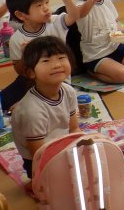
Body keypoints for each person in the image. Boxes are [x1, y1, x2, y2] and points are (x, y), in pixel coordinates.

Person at [3, 0, 80, 110]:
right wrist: (26, 56)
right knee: (5, 101)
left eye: (46, 3)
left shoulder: (54, 22)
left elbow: (75, 16)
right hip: (33, 81)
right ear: (21, 15)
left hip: (59, 78)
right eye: (39, 5)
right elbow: (19, 70)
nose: (46, 8)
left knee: (55, 103)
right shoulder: (17, 39)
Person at [10, 36, 80, 180]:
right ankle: (35, 183)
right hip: (39, 159)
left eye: (61, 58)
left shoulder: (68, 91)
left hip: (63, 146)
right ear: (31, 72)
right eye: (46, 61)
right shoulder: (32, 110)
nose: (57, 65)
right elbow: (38, 154)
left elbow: (74, 129)